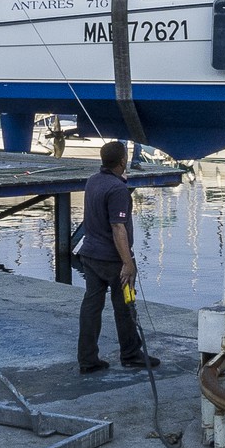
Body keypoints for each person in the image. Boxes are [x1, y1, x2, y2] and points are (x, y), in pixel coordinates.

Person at [76, 140, 159, 373]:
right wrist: (128, 263)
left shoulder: (93, 181)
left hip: (90, 254)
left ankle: (87, 359)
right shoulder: (118, 190)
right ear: (123, 161)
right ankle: (131, 353)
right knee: (125, 306)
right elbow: (118, 227)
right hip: (112, 259)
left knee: (91, 306)